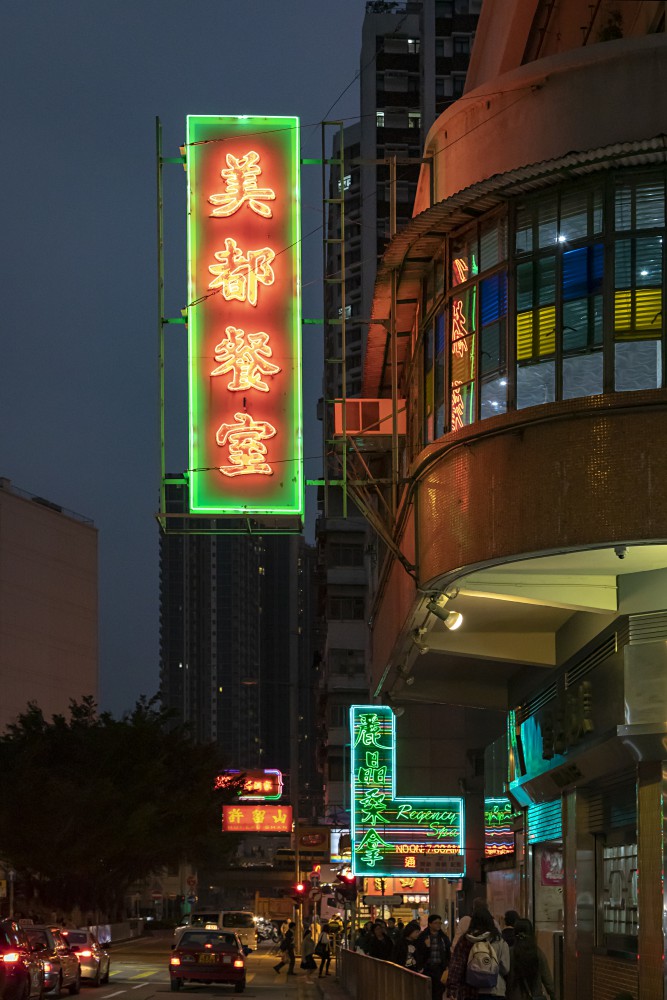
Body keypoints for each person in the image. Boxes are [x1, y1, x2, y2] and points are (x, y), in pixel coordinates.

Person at [446, 907, 510, 1000]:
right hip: (495, 989)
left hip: (470, 990)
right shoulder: (499, 941)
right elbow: (505, 969)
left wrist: (452, 987)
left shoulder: (466, 939)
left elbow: (457, 965)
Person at [506, 919, 555, 1000]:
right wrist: (553, 995)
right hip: (535, 996)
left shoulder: (509, 953)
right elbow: (547, 978)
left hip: (514, 996)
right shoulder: (537, 953)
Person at [415, 913, 451, 1000]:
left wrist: (447, 965)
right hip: (427, 968)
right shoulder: (423, 937)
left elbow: (448, 952)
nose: (438, 925)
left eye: (440, 923)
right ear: (430, 924)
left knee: (439, 991)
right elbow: (419, 952)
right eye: (436, 923)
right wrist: (426, 947)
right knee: (427, 991)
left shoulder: (443, 937)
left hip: (440, 968)